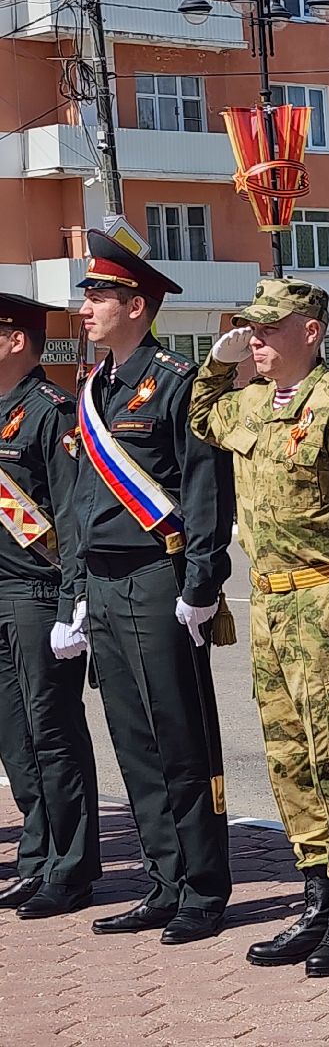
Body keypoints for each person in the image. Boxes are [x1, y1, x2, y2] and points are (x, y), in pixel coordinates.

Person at [189, 278, 329, 977]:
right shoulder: (248, 402)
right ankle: (315, 900)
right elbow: (200, 417)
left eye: (269, 328)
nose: (256, 339)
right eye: (250, 328)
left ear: (310, 331)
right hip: (272, 607)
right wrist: (218, 367)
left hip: (328, 602)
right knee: (289, 760)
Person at [72, 230, 235, 944]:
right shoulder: (95, 387)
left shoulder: (176, 382)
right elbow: (82, 500)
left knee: (179, 737)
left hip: (154, 577)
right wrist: (78, 590)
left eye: (99, 294)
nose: (86, 306)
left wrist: (201, 581)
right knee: (133, 739)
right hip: (104, 582)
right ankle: (162, 880)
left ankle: (202, 888)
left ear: (135, 305)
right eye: (86, 294)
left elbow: (204, 493)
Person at [0, 292, 98, 921]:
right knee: (15, 739)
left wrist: (73, 602)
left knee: (53, 733)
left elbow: (69, 515)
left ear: (14, 340)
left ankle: (73, 867)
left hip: (38, 593)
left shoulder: (50, 413)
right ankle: (36, 857)